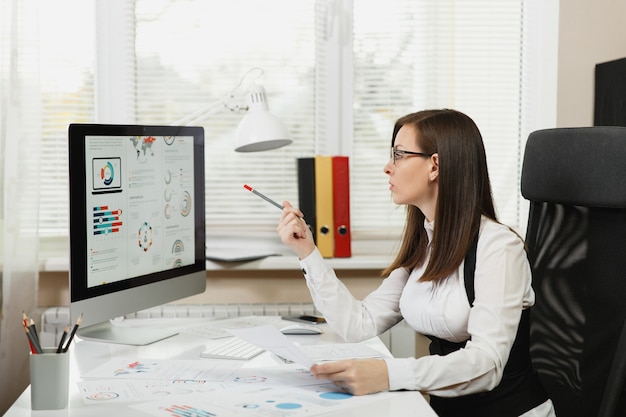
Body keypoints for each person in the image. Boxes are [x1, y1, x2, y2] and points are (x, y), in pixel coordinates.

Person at [276, 109, 556, 417]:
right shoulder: (426, 244)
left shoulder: (498, 247)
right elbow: (359, 323)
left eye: (398, 155)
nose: (387, 167)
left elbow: (487, 364)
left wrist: (387, 374)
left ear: (435, 165)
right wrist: (308, 252)